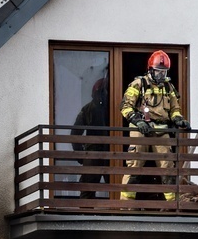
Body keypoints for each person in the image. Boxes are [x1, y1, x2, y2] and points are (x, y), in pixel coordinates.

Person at [119, 50, 191, 202]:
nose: (161, 76)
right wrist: (138, 121)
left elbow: (174, 109)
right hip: (141, 129)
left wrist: (179, 120)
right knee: (134, 166)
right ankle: (126, 206)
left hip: (161, 130)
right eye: (158, 72)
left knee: (168, 167)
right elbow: (126, 106)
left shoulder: (168, 87)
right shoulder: (139, 84)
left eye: (164, 73)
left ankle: (173, 205)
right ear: (150, 70)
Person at [70, 78, 110, 200]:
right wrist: (81, 155)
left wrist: (80, 155)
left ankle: (85, 215)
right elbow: (75, 134)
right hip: (110, 152)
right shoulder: (113, 109)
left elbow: (75, 133)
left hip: (95, 153)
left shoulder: (88, 109)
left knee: (88, 189)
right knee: (115, 186)